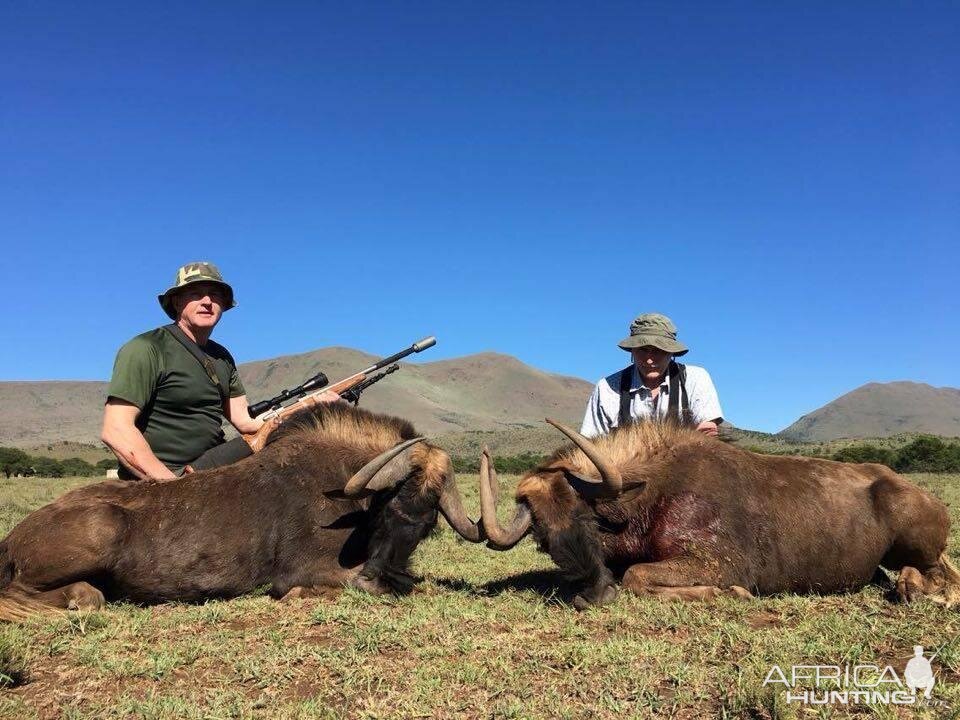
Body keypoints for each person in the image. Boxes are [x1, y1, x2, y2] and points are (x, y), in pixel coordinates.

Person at [102, 262, 271, 480]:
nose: (207, 301)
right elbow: (115, 430)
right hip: (166, 482)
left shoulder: (222, 356)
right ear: (177, 301)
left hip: (213, 470)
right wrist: (172, 488)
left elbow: (246, 422)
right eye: (195, 293)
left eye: (215, 295)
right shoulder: (147, 348)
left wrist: (300, 410)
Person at [580, 312, 723, 438]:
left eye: (658, 350)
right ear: (632, 350)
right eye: (642, 350)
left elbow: (707, 434)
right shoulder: (607, 387)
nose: (649, 359)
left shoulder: (695, 378)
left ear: (671, 352)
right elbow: (592, 443)